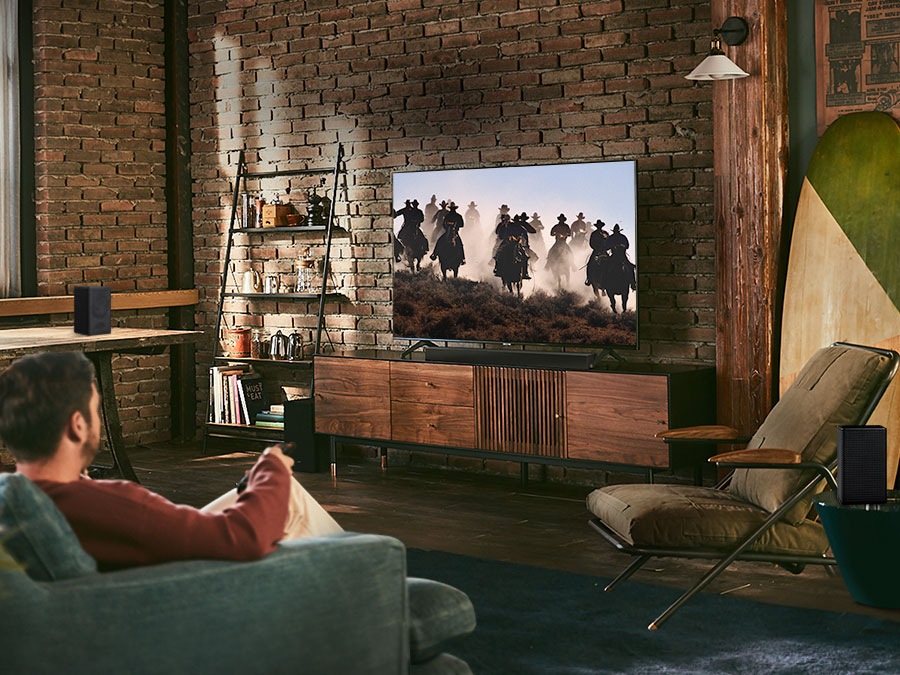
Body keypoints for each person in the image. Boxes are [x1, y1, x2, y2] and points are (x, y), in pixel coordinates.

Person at [0, 351, 343, 571]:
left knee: (269, 494)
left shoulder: (16, 499)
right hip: (193, 596)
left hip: (146, 562)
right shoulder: (113, 503)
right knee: (288, 497)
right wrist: (272, 466)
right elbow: (242, 538)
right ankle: (363, 577)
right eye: (95, 411)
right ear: (77, 426)